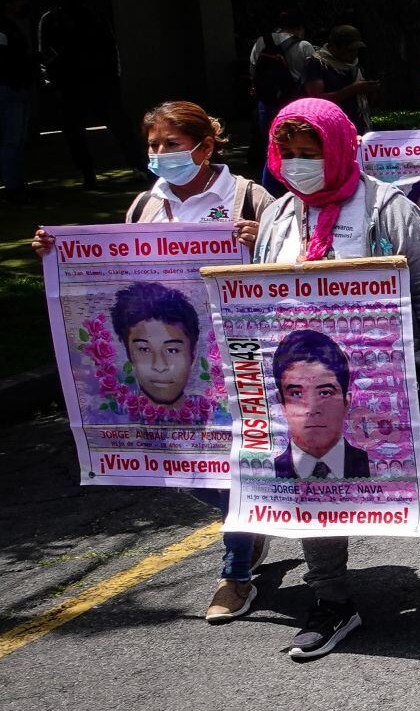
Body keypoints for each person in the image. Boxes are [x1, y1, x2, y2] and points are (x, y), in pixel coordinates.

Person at [253, 97, 420, 659]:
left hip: (383, 373)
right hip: (300, 379)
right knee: (308, 478)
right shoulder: (278, 216)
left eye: (311, 152)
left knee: (398, 472)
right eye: (288, 152)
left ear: (339, 149)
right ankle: (331, 599)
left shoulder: (387, 209)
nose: (299, 164)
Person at [37, 101, 271, 622]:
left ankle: (236, 575)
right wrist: (54, 253)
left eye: (171, 144)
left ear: (205, 147)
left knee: (232, 461)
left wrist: (260, 242)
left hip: (236, 352)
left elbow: (287, 264)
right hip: (169, 357)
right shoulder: (146, 203)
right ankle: (251, 519)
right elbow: (123, 272)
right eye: (153, 145)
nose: (160, 154)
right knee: (186, 466)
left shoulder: (247, 197)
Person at [39, 0, 140, 185]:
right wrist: (52, 83)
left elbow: (111, 47)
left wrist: (114, 78)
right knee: (74, 133)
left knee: (120, 126)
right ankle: (88, 173)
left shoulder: (95, 16)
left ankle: (138, 165)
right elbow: (44, 53)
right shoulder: (51, 19)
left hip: (100, 82)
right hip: (69, 85)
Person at [269, 330, 372, 479]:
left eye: (325, 393)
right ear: (282, 404)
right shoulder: (266, 470)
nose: (311, 408)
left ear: (346, 401)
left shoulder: (377, 467)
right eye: (296, 394)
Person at [249, 13, 314, 187]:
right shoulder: (304, 46)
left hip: (267, 103)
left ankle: (270, 187)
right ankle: (295, 184)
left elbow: (253, 70)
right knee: (297, 143)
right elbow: (310, 76)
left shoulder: (261, 41)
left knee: (272, 146)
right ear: (300, 27)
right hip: (295, 102)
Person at [301, 25, 379, 132]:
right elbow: (317, 100)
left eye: (356, 50)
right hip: (331, 125)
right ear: (335, 47)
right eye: (350, 50)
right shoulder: (317, 63)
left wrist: (370, 90)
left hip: (356, 125)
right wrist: (352, 90)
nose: (354, 54)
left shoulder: (353, 65)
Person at [0, 0, 33, 200]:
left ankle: (17, 183)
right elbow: (5, 59)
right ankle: (13, 186)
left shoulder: (10, 26)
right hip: (9, 86)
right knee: (12, 139)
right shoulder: (4, 28)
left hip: (17, 85)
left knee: (18, 138)